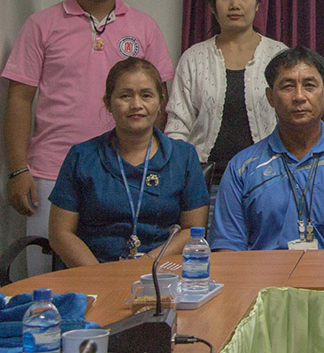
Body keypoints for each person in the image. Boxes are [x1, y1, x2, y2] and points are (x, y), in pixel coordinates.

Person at [2, 0, 174, 274]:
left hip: (125, 172)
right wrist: (17, 169)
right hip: (51, 172)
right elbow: (19, 99)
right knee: (47, 282)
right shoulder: (41, 25)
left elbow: (160, 100)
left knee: (121, 279)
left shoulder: (144, 27)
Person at [211, 47, 324, 251]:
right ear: (270, 97)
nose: (299, 96)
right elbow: (227, 251)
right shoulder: (242, 168)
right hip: (264, 273)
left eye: (309, 86)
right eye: (288, 87)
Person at [48, 58, 208, 266]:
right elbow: (60, 233)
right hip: (93, 271)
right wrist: (99, 276)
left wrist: (145, 266)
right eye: (125, 95)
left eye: (146, 95)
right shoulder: (82, 156)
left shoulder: (183, 157)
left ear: (161, 102)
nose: (136, 105)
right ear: (108, 103)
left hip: (160, 272)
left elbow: (192, 230)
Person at [165, 0, 287, 183]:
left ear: (257, 3)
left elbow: (294, 119)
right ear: (212, 6)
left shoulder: (279, 55)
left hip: (268, 182)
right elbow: (177, 127)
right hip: (203, 183)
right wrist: (182, 175)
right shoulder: (194, 58)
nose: (234, 5)